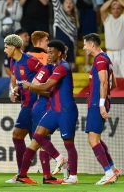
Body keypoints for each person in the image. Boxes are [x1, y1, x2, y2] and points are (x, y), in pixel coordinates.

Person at [20, 40, 79, 185]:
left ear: (59, 53)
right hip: (54, 110)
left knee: (69, 143)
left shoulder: (63, 67)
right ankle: (59, 159)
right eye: (47, 52)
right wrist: (35, 87)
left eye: (51, 52)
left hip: (66, 111)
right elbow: (47, 89)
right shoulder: (53, 68)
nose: (49, 55)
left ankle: (73, 176)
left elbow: (45, 86)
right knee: (37, 135)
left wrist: (30, 85)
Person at [3, 34, 43, 183]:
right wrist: (14, 92)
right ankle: (22, 174)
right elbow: (17, 82)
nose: (5, 49)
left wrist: (37, 91)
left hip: (34, 105)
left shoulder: (31, 60)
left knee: (20, 137)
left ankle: (22, 174)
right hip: (26, 104)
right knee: (38, 140)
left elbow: (46, 75)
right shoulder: (15, 62)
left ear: (14, 47)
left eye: (6, 46)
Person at [82, 33, 120, 185]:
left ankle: (108, 172)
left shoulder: (100, 59)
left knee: (93, 140)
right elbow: (114, 84)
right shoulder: (106, 58)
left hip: (97, 103)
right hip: (98, 101)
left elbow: (105, 83)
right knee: (96, 138)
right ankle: (112, 169)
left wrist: (101, 103)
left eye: (85, 44)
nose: (84, 47)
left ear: (92, 45)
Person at [45, 0, 78, 69]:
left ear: (73, 6)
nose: (69, 3)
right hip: (58, 48)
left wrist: (74, 54)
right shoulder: (59, 11)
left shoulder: (75, 20)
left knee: (69, 72)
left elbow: (74, 39)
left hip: (70, 50)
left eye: (71, 2)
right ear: (62, 4)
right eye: (66, 2)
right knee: (58, 71)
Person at [100, 0, 124, 78]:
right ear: (111, 10)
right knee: (111, 80)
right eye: (113, 8)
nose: (116, 10)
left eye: (118, 8)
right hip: (110, 53)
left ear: (121, 10)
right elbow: (102, 9)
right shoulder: (107, 19)